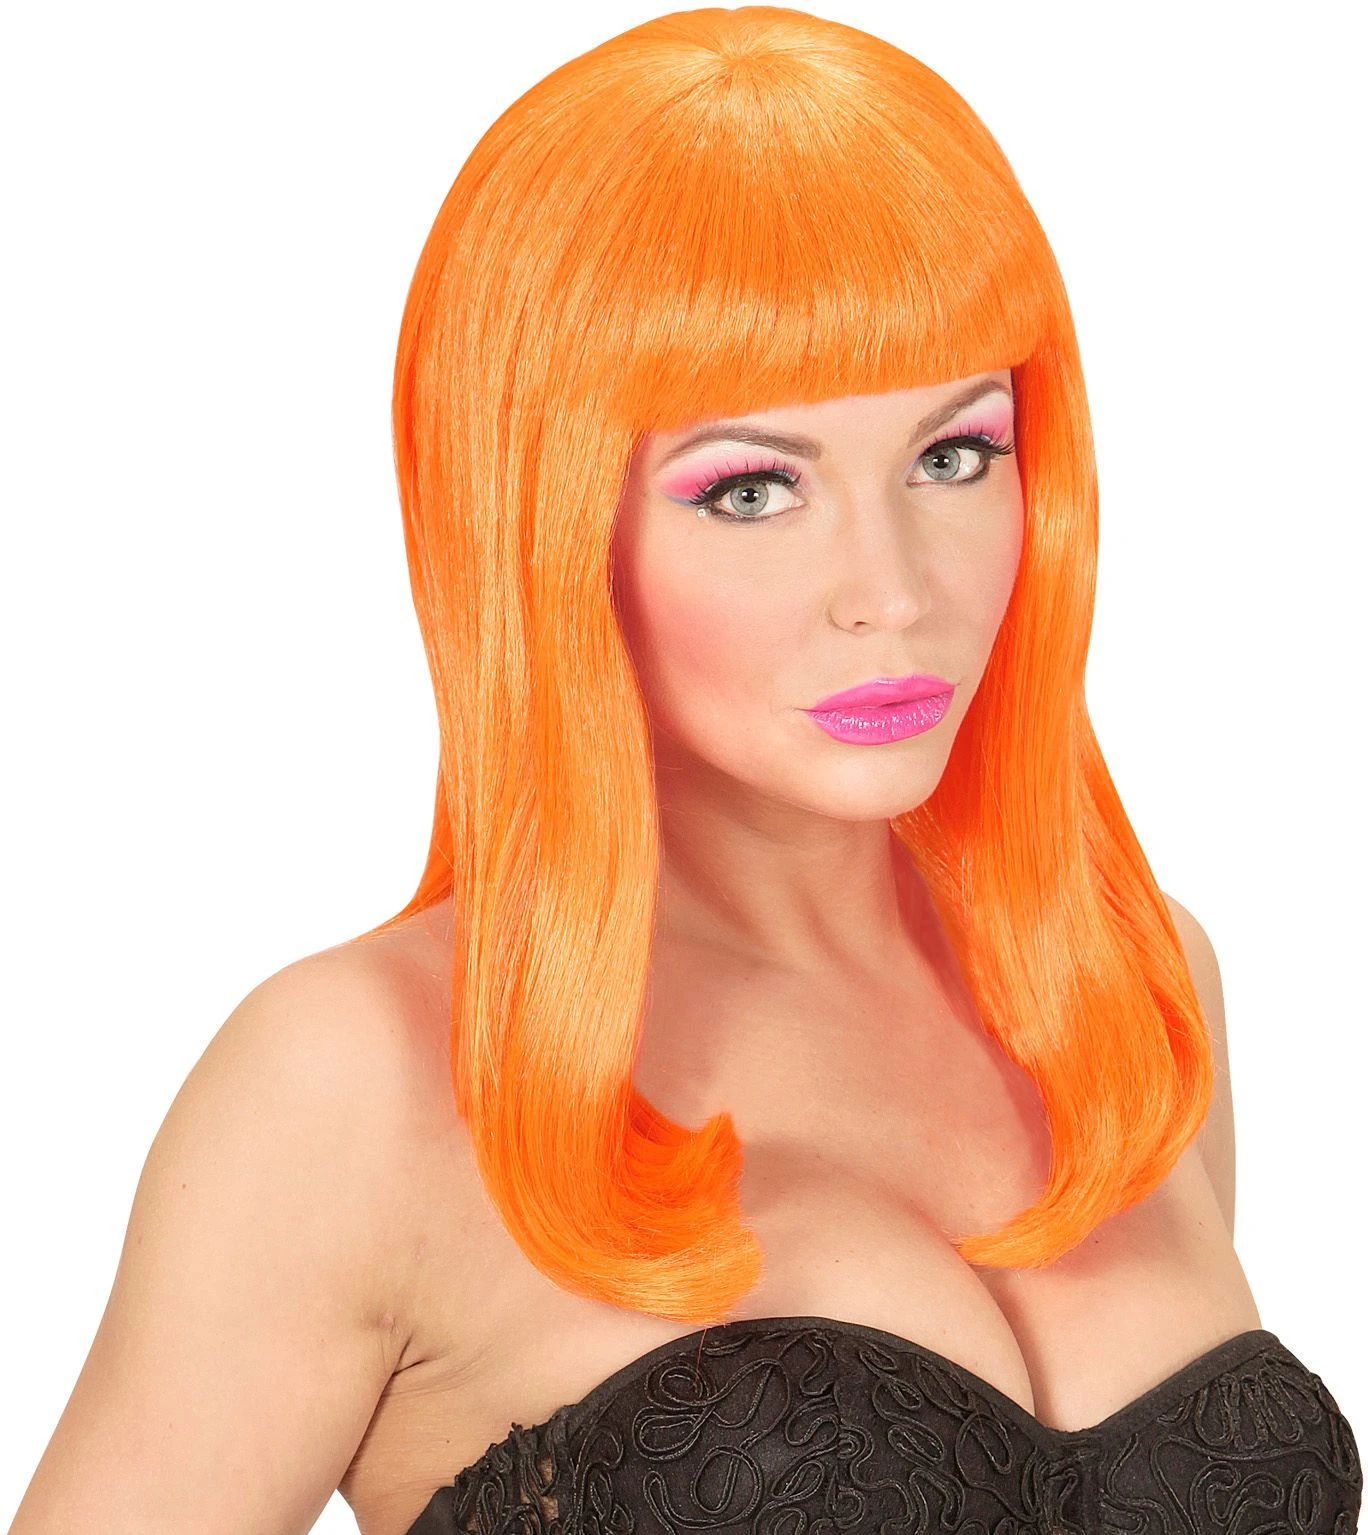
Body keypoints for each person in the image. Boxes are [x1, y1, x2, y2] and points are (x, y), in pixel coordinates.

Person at [10, 8, 1361, 1534]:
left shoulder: (1131, 989)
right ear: (546, 522)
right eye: (754, 487)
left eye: (953, 455)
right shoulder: (356, 1079)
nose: (892, 589)